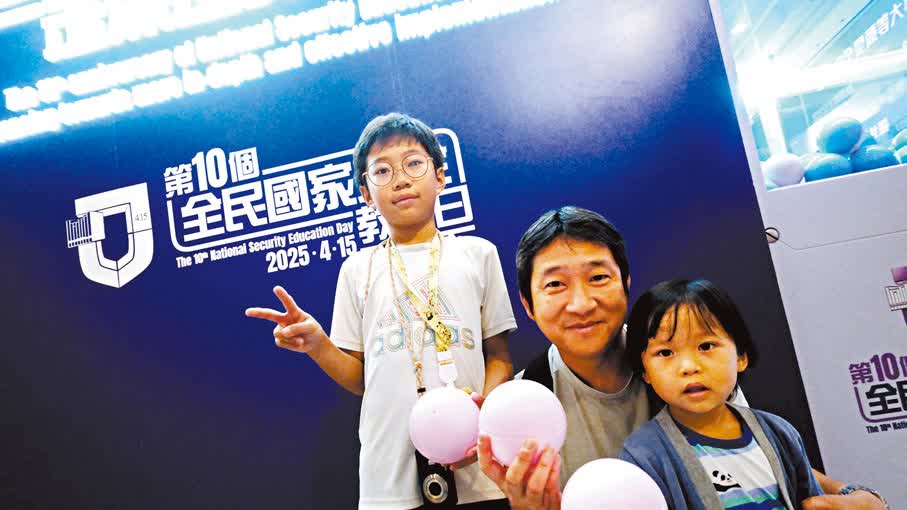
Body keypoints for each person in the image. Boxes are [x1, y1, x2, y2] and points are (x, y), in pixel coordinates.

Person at [476, 206, 888, 510]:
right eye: (555, 285)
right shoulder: (522, 405)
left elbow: (754, 460)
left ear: (625, 283)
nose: (581, 303)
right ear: (528, 305)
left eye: (598, 277)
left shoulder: (678, 358)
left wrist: (859, 497)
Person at [246, 113, 516, 509]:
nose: (401, 180)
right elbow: (360, 379)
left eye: (414, 164)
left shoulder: (478, 254)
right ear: (366, 193)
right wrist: (319, 345)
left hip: (477, 469)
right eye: (383, 171)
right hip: (389, 475)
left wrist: (480, 420)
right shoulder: (357, 269)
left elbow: (500, 358)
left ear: (440, 177)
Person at [619, 279, 822, 508]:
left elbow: (815, 502)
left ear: (741, 357)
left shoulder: (780, 433)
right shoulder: (644, 455)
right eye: (665, 352)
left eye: (706, 346)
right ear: (644, 371)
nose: (689, 367)